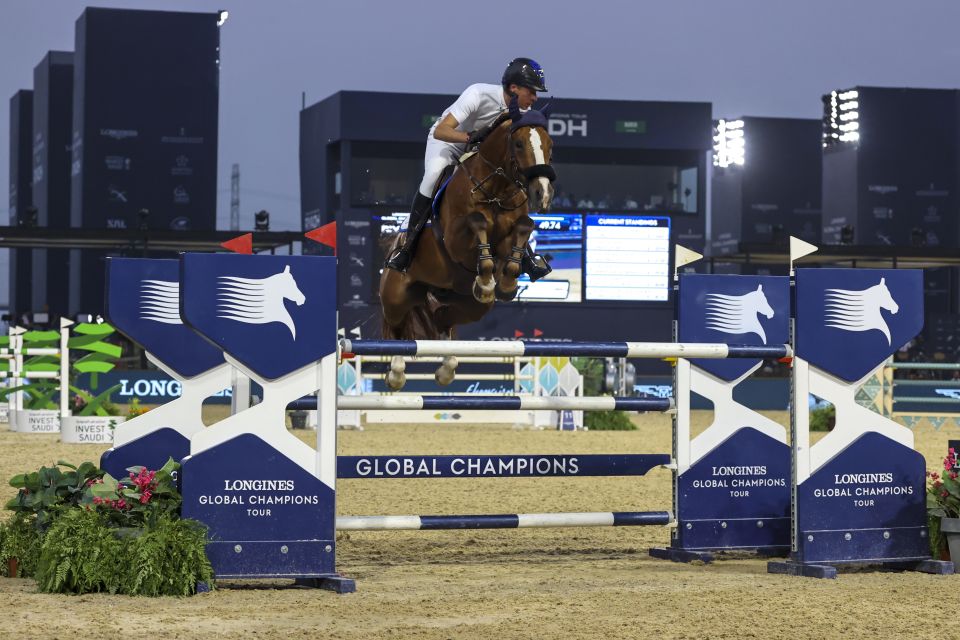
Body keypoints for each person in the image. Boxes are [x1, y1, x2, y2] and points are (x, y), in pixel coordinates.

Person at [385, 58, 553, 280]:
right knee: (433, 176)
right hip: (449, 143)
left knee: (513, 183)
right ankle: (407, 248)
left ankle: (527, 257)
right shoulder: (478, 94)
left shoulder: (524, 110)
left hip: (479, 151)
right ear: (514, 88)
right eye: (531, 91)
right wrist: (471, 137)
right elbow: (441, 131)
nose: (534, 98)